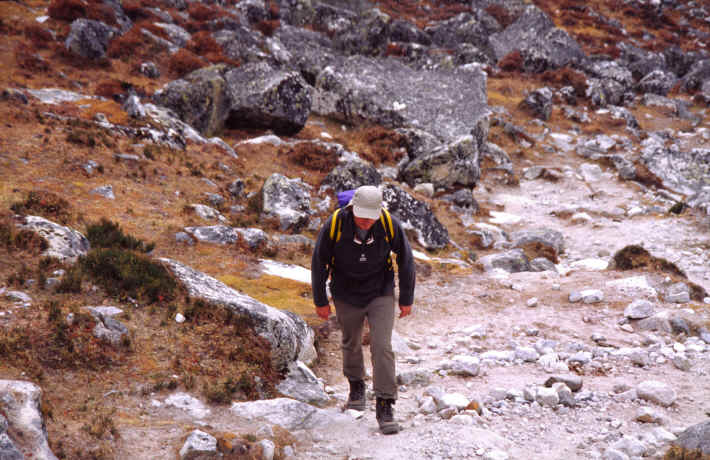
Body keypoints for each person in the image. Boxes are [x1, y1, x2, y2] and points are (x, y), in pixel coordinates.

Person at [311, 185, 415, 435]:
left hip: (380, 290)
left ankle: (385, 404)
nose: (367, 222)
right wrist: (320, 300)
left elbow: (406, 259)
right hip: (345, 292)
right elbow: (319, 261)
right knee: (350, 341)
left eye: (371, 217)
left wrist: (406, 298)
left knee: (382, 346)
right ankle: (356, 387)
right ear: (352, 209)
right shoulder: (335, 224)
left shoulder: (389, 224)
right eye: (362, 216)